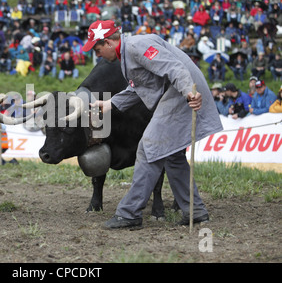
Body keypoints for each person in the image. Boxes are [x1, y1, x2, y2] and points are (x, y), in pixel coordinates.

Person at [82, 20, 222, 230]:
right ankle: (196, 212)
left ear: (109, 42)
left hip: (180, 91)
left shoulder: (137, 45)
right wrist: (110, 104)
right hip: (178, 91)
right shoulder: (128, 56)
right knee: (173, 156)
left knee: (148, 148)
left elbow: (173, 67)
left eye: (98, 49)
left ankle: (129, 213)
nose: (98, 55)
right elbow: (138, 88)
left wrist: (188, 92)